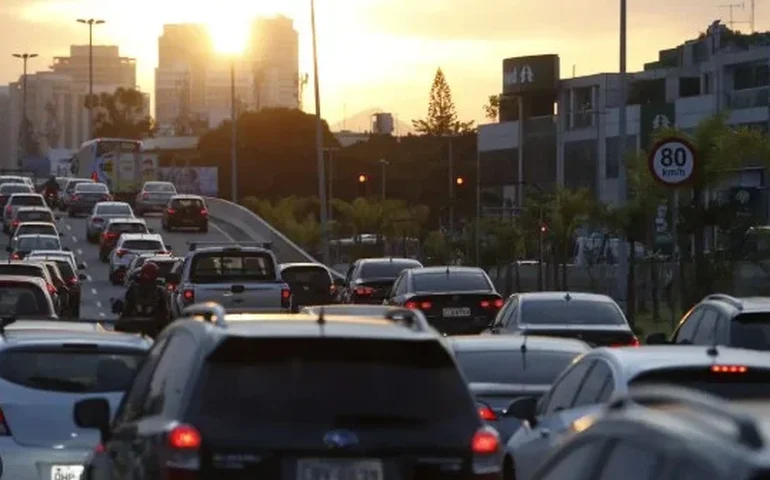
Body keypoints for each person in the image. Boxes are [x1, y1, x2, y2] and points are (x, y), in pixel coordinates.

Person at [116, 262, 170, 337]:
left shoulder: (159, 291)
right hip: (140, 326)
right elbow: (126, 308)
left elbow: (165, 313)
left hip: (149, 327)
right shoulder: (134, 289)